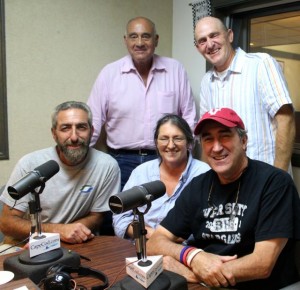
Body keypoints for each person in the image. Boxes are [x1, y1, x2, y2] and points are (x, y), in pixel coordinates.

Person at [147, 108, 300, 289]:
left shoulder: (274, 183)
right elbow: (155, 242)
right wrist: (192, 256)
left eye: (225, 136)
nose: (217, 147)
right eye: (208, 138)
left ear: (243, 141)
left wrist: (191, 272)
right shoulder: (198, 186)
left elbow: (261, 265)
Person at [87, 16, 196, 189]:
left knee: (168, 212)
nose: (139, 42)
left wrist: (187, 156)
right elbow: (93, 122)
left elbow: (189, 117)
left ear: (156, 40)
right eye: (133, 36)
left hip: (166, 158)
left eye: (145, 36)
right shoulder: (109, 74)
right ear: (125, 40)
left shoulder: (175, 69)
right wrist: (79, 160)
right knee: (124, 213)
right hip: (121, 161)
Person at [0, 101, 121, 247]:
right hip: (25, 242)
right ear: (54, 134)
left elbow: (97, 216)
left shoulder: (107, 166)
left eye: (81, 127)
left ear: (92, 130)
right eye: (65, 128)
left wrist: (71, 232)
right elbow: (7, 223)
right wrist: (58, 231)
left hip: (74, 243)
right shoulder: (30, 164)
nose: (74, 137)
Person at [194, 16, 295, 173]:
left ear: (230, 36)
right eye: (202, 40)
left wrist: (278, 179)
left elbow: (286, 121)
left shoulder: (260, 64)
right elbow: (206, 137)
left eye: (214, 35)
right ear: (198, 49)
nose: (209, 44)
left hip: (266, 179)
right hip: (227, 182)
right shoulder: (207, 81)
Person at [112, 114, 210, 239]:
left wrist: (168, 243)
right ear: (156, 143)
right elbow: (121, 217)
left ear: (189, 142)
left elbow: (209, 224)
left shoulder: (204, 173)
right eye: (164, 138)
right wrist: (154, 236)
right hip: (142, 246)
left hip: (184, 250)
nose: (170, 145)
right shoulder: (142, 172)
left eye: (178, 138)